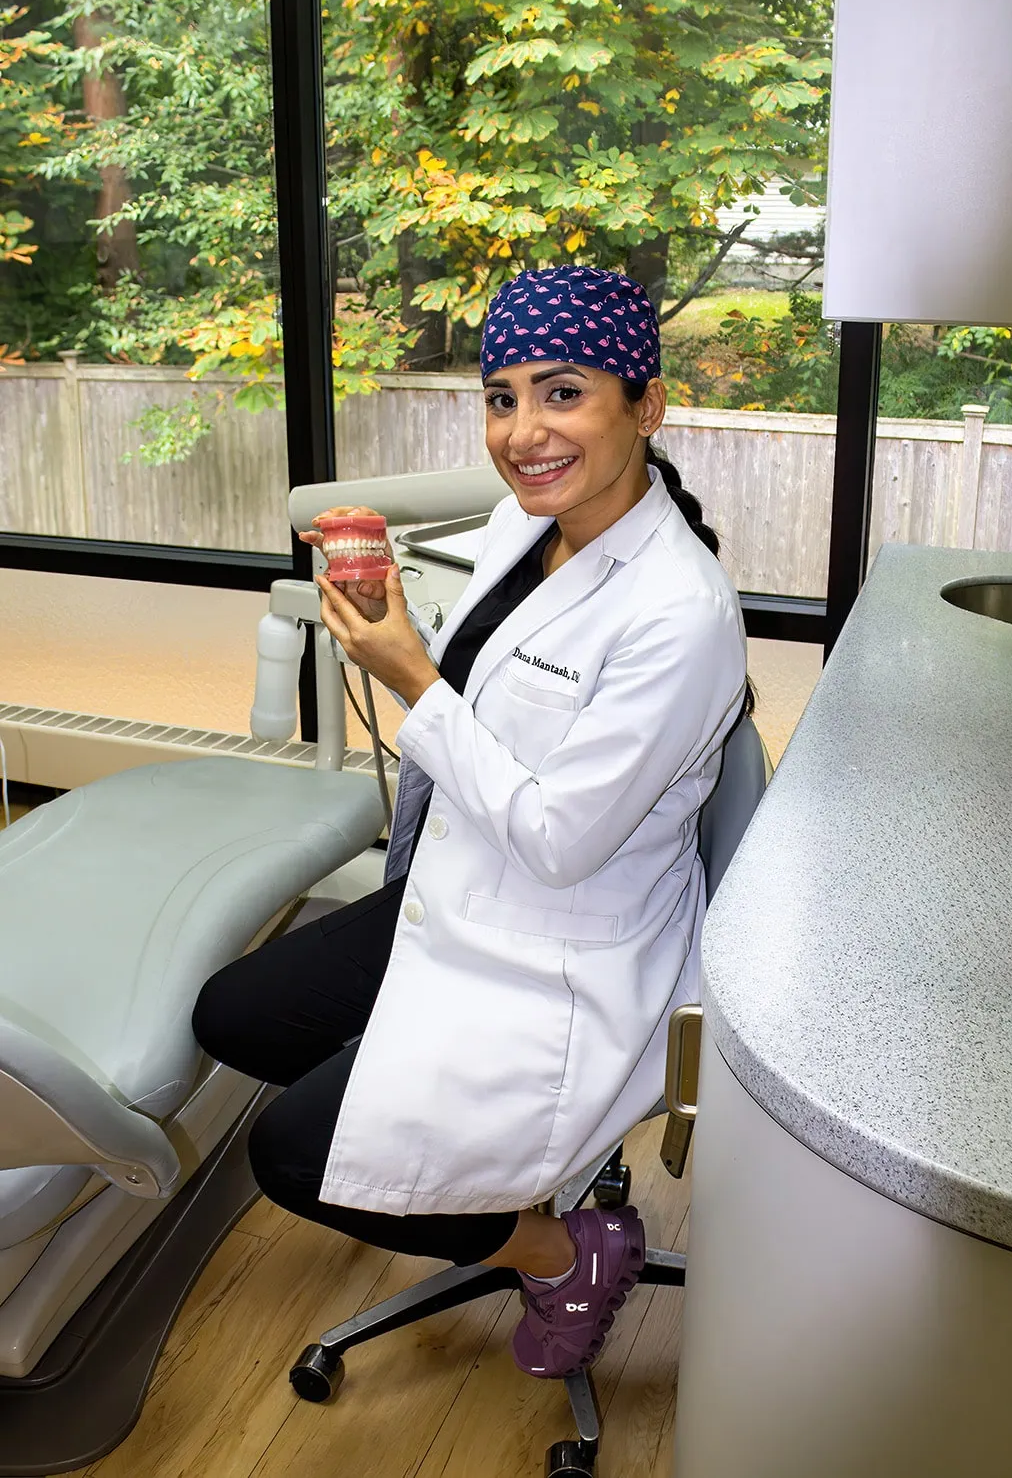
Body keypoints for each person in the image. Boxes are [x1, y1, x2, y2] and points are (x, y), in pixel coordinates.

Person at [192, 266, 748, 1379]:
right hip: (465, 892)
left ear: (646, 405)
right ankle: (435, 1130)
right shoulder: (520, 524)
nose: (523, 431)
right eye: (501, 398)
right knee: (234, 1016)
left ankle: (565, 1250)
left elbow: (557, 837)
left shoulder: (680, 612)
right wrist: (402, 631)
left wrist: (407, 675)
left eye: (562, 392)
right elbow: (490, 704)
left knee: (290, 1152)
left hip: (559, 949)